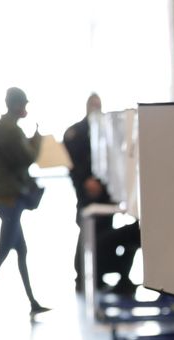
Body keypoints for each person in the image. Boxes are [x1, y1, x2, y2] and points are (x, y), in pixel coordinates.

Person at [0, 87, 50, 321]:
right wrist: (37, 142)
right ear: (17, 106)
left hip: (1, 195)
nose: (25, 109)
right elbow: (27, 158)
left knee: (21, 250)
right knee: (3, 251)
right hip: (10, 198)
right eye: (24, 104)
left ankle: (33, 303)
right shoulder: (11, 131)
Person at [63, 93, 113, 290]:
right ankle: (82, 276)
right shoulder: (76, 132)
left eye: (98, 105)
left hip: (106, 192)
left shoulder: (106, 131)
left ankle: (98, 274)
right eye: (93, 105)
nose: (96, 108)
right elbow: (72, 162)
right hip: (85, 193)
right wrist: (85, 181)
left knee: (104, 231)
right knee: (87, 230)